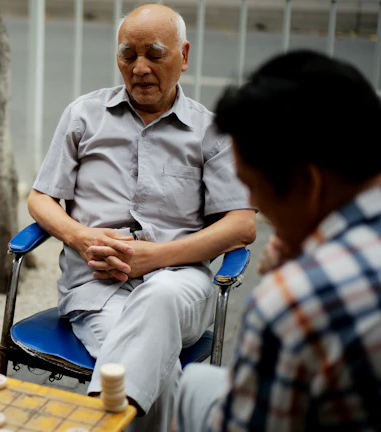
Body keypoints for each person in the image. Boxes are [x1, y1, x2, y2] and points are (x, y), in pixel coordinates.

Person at [28, 4, 256, 431]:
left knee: (159, 298)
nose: (139, 68)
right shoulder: (84, 116)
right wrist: (80, 237)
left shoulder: (213, 131)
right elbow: (41, 198)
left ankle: (93, 423)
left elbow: (242, 225)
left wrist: (156, 258)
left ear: (184, 56)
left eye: (154, 53)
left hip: (180, 284)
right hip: (97, 288)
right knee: (153, 366)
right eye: (127, 55)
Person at [175, 50, 381, 431]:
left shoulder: (293, 304)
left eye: (253, 187)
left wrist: (287, 282)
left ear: (308, 183)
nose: (253, 204)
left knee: (191, 388)